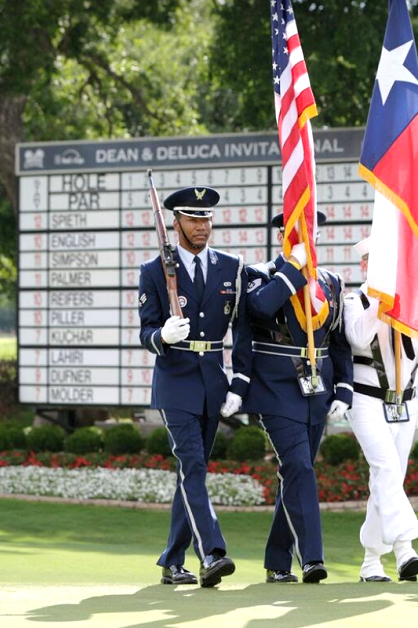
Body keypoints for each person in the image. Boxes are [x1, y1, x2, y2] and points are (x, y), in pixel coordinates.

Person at [138, 185, 251, 589]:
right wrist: (163, 336)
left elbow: (243, 328)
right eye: (192, 219)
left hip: (212, 383)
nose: (201, 226)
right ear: (176, 222)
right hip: (175, 381)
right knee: (194, 467)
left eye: (206, 219)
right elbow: (145, 331)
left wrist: (238, 381)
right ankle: (213, 553)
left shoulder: (231, 266)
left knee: (191, 474)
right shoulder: (154, 271)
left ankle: (171, 560)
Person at [237, 211, 353, 584]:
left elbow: (338, 340)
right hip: (274, 389)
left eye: (311, 230)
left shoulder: (330, 282)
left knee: (296, 473)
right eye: (296, 231)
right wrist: (293, 268)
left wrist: (345, 389)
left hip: (317, 390)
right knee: (300, 467)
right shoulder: (259, 275)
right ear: (282, 235)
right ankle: (313, 558)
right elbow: (259, 308)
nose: (305, 236)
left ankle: (277, 562)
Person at [342, 236, 418, 583]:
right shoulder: (355, 302)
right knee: (384, 467)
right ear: (364, 266)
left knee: (386, 480)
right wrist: (380, 304)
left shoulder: (415, 305)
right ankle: (404, 547)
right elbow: (356, 336)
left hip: (405, 403)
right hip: (367, 398)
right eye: (375, 263)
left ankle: (370, 562)